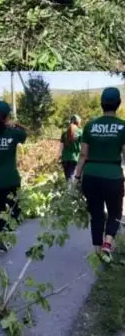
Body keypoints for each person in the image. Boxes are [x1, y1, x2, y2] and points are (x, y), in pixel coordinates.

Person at [72, 87, 125, 264]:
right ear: (118, 104)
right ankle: (107, 245)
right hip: (113, 176)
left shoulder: (89, 126)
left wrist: (77, 177)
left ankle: (97, 250)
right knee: (115, 212)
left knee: (96, 213)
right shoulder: (123, 127)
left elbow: (83, 155)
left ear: (101, 104)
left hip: (91, 176)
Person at [0, 100, 27, 252]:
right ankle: (9, 233)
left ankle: (1, 239)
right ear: (7, 116)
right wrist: (15, 124)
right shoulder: (14, 133)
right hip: (11, 181)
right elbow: (26, 133)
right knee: (15, 210)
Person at [59, 115, 82, 181]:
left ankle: (67, 190)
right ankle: (71, 191)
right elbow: (83, 147)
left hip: (65, 159)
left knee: (68, 178)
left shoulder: (64, 132)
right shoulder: (80, 132)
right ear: (78, 122)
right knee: (73, 179)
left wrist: (59, 157)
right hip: (75, 158)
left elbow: (61, 147)